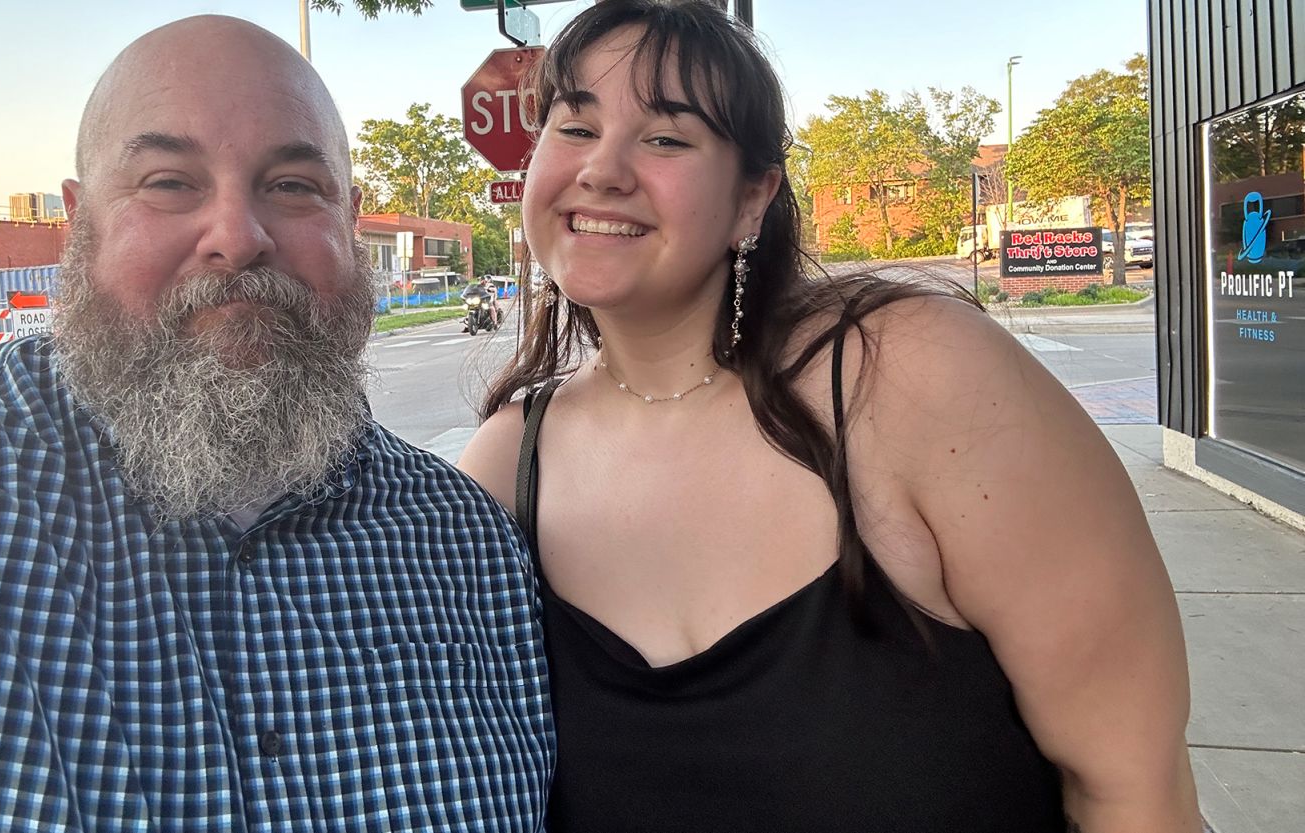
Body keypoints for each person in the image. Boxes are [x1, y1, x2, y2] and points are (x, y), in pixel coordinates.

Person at [458, 1, 1199, 831]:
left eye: (666, 137)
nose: (603, 169)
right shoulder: (503, 469)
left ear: (752, 199)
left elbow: (1134, 786)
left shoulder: (916, 379)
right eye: (574, 127)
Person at [0, 16, 551, 832]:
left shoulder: (470, 552)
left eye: (293, 185)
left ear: (349, 223)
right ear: (79, 222)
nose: (238, 238)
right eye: (169, 181)